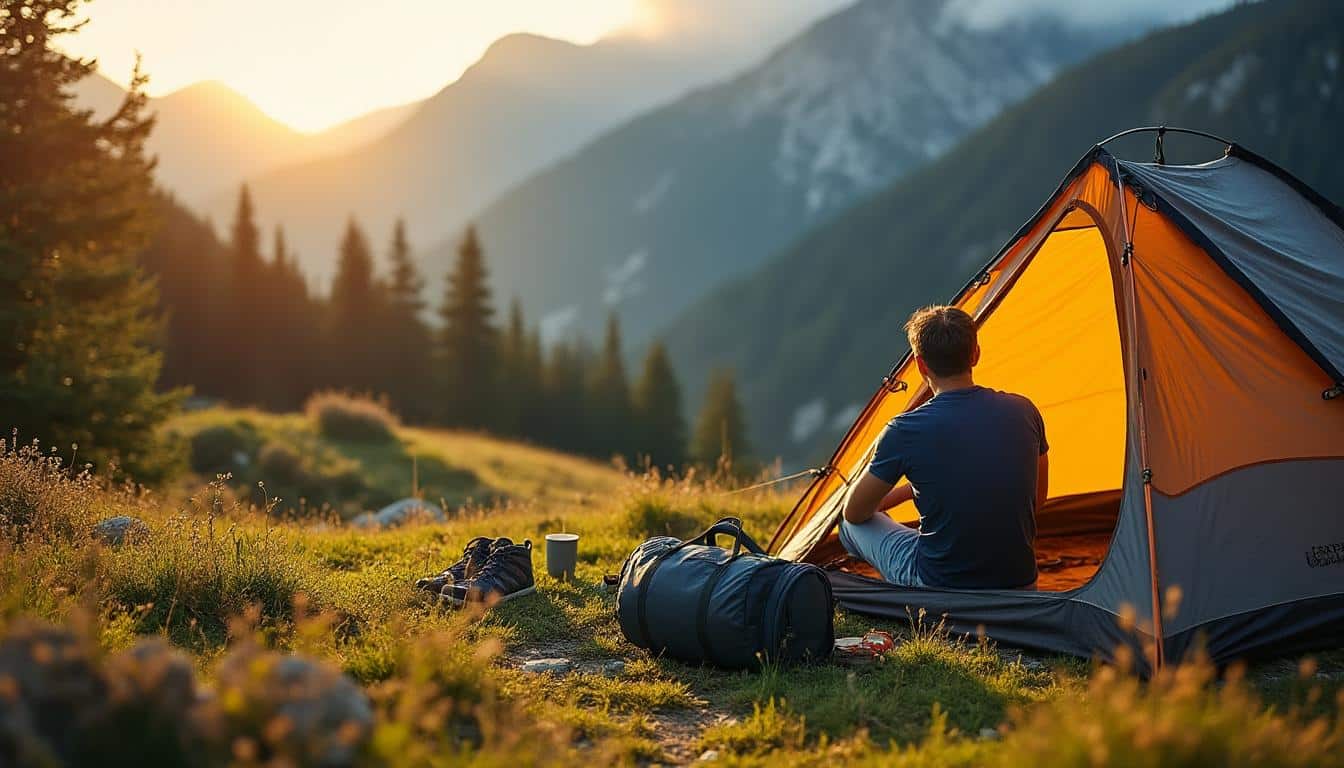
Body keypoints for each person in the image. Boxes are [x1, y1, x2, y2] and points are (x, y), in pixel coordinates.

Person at [840, 305, 1048, 589]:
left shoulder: (905, 430)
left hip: (941, 587)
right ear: (975, 354)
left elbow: (854, 513)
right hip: (1020, 584)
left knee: (849, 526)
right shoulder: (1024, 410)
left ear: (920, 365)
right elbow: (1036, 500)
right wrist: (913, 490)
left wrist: (903, 493)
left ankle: (906, 595)